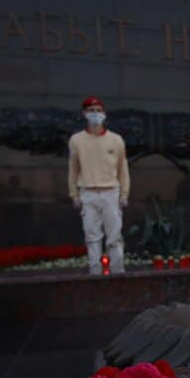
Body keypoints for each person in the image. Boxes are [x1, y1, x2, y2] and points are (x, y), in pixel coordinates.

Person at [68, 96, 129, 274]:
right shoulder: (76, 140)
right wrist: (74, 195)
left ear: (104, 114)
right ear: (84, 114)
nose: (95, 114)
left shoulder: (116, 140)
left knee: (114, 237)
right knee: (92, 237)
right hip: (88, 192)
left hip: (111, 192)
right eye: (91, 111)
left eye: (98, 111)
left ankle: (118, 273)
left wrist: (124, 194)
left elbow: (123, 169)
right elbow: (73, 169)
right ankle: (95, 273)